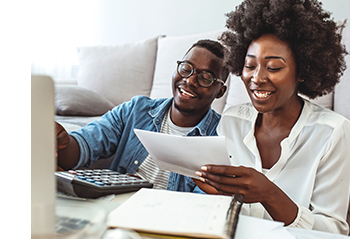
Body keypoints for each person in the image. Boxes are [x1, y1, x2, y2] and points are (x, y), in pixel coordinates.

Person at [194, 0, 350, 235]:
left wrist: (270, 194)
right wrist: (218, 190)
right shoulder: (232, 121)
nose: (257, 78)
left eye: (274, 67)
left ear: (302, 72)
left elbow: (334, 231)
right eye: (249, 65)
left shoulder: (332, 133)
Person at [56, 39, 228, 192]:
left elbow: (205, 205)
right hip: (117, 209)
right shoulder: (135, 110)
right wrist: (62, 142)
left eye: (205, 78)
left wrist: (144, 194)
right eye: (186, 68)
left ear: (220, 91)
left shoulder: (222, 137)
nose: (190, 80)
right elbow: (84, 145)